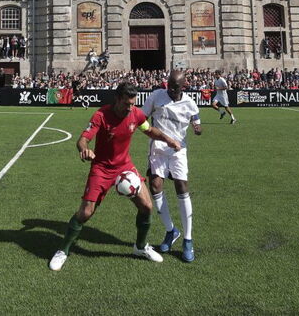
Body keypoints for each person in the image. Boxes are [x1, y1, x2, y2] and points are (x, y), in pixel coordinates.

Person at [49, 81, 182, 272]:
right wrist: (85, 150)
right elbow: (83, 140)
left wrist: (169, 140)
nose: (130, 108)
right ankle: (63, 250)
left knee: (147, 206)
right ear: (117, 99)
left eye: (133, 104)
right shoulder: (101, 115)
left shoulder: (135, 114)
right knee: (85, 213)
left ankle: (140, 247)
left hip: (125, 167)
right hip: (101, 169)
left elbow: (149, 130)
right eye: (126, 104)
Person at [142, 70, 202, 262]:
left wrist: (197, 128)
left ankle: (188, 239)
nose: (171, 89)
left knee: (181, 186)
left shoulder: (190, 104)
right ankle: (171, 230)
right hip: (158, 148)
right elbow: (141, 117)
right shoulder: (156, 96)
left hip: (178, 150)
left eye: (175, 87)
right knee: (155, 185)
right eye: (169, 84)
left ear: (183, 86)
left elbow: (197, 122)